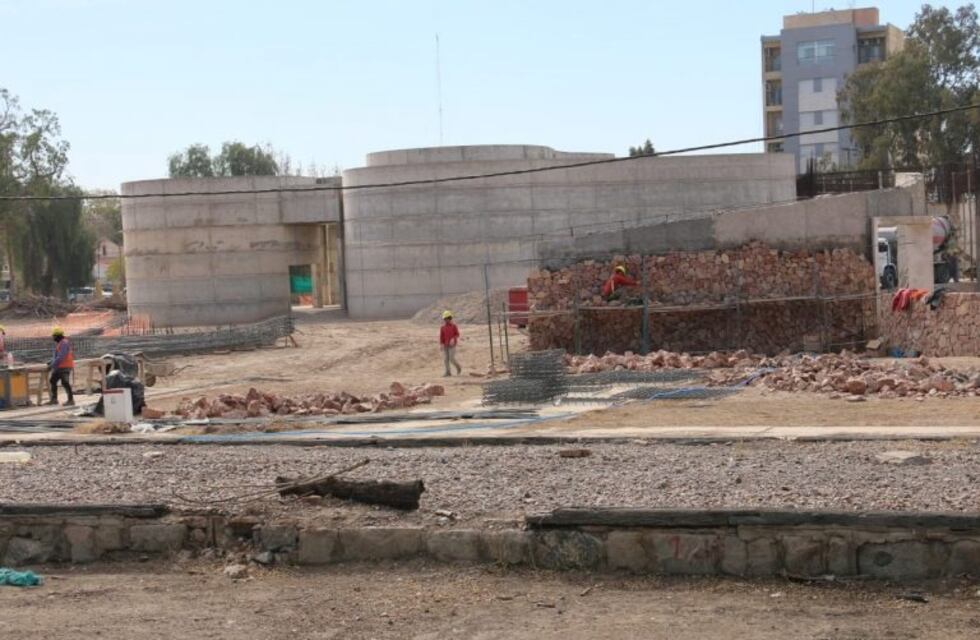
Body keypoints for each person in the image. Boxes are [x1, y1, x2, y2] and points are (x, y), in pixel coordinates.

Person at [47, 326, 75, 406]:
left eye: (54, 336)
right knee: (53, 380)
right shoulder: (60, 343)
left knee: (65, 382)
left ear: (57, 336)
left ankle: (71, 400)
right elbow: (57, 356)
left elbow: (61, 357)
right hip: (60, 366)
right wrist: (51, 362)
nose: (53, 338)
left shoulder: (64, 343)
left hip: (65, 366)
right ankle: (54, 399)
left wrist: (52, 365)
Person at [439, 310, 462, 377]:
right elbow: (441, 337)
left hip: (452, 345)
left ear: (450, 318)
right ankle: (448, 372)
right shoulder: (442, 327)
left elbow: (457, 334)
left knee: (451, 358)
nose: (446, 320)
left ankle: (458, 367)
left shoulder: (454, 326)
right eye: (445, 319)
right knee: (445, 359)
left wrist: (453, 339)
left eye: (448, 318)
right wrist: (441, 344)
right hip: (445, 345)